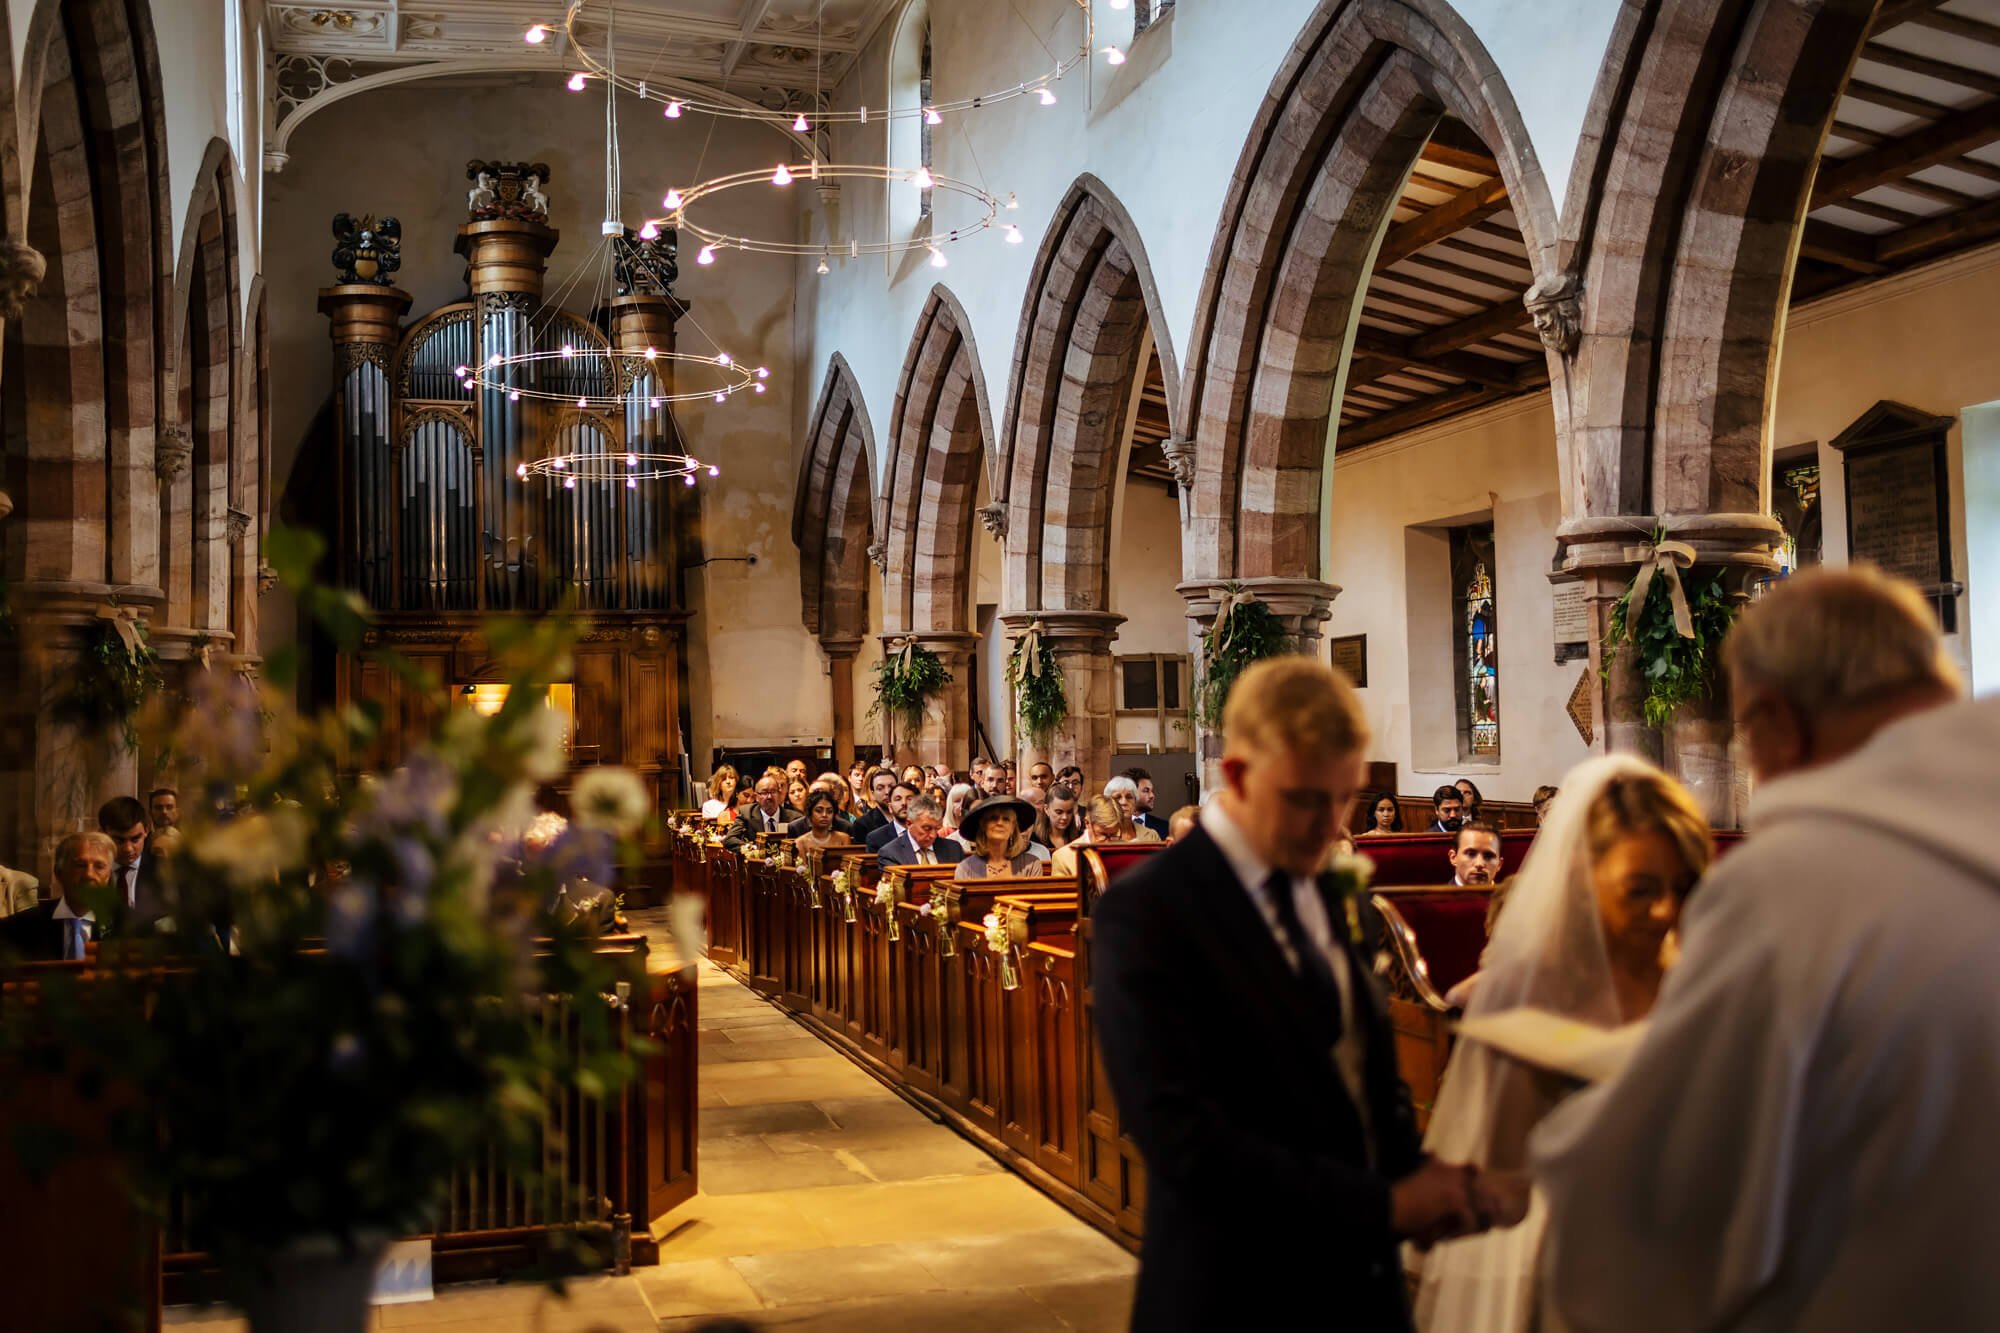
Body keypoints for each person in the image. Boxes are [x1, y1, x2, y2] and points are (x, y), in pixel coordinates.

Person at [1531, 566, 1998, 1332]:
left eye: (1743, 733)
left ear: (1777, 719)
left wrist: (1554, 1147)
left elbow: (1659, 1189)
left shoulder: (1786, 890)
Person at [1092, 656, 1489, 1329]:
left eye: (1346, 798)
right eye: (1306, 798)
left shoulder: (1341, 895)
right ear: (1239, 776)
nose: (1330, 823)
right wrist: (1383, 1205)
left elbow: (1365, 1071)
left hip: (1362, 1290)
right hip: (1229, 1290)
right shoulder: (1148, 911)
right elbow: (1184, 1140)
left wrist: (1420, 1174)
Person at [1412, 758, 1710, 1332]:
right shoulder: (1535, 992)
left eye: (1683, 886)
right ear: (1587, 879)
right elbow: (1505, 1185)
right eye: (1641, 888)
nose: (1666, 910)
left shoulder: (1699, 980)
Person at [0, 832, 117, 960]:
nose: (89, 875)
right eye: (80, 865)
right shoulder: (18, 929)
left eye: (99, 866)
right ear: (59, 872)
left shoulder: (123, 928)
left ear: (109, 877)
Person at [98, 795, 166, 924]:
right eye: (119, 840)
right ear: (103, 834)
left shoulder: (165, 872)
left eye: (135, 839)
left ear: (146, 830)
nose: (128, 849)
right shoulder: (91, 872)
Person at [955, 796, 1046, 880]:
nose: (1000, 823)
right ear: (983, 825)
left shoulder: (1031, 864)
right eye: (993, 818)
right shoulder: (966, 868)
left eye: (1006, 819)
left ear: (1013, 828)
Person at [1051, 795, 1131, 876]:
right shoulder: (1063, 858)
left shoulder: (1129, 853)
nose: (1108, 843)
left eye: (1113, 835)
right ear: (1087, 823)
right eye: (1102, 835)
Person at [877, 797, 966, 869]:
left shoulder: (954, 849)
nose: (933, 835)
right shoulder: (891, 854)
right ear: (909, 823)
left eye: (937, 828)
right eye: (927, 828)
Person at [724, 774, 802, 850]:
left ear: (779, 794)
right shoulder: (747, 813)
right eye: (764, 793)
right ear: (756, 797)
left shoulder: (794, 818)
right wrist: (752, 848)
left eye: (773, 792)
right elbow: (730, 839)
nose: (769, 797)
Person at [792, 789, 854, 858]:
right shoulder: (800, 842)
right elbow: (802, 868)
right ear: (810, 813)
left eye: (829, 811)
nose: (824, 815)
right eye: (819, 811)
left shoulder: (844, 839)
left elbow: (846, 867)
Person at [1103, 777, 1164, 845]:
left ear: (1135, 802)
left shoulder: (1151, 836)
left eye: (1129, 797)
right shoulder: (1101, 835)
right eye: (1118, 797)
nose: (1124, 802)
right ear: (1108, 803)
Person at [864, 783, 919, 852]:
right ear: (890, 807)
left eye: (909, 799)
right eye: (898, 799)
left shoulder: (930, 835)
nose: (904, 803)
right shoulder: (876, 838)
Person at [1447, 822, 1503, 886]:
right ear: (1453, 857)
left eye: (1489, 856)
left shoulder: (1511, 895)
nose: (1479, 864)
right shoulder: (1438, 896)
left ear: (1499, 864)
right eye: (1471, 854)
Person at [1123, 767, 1171, 839]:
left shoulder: (1165, 827)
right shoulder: (1114, 827)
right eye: (1146, 790)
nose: (1152, 795)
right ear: (1131, 793)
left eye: (1152, 791)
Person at [853, 768, 899, 832]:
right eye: (880, 788)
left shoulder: (909, 818)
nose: (887, 792)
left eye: (891, 786)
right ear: (873, 794)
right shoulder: (863, 824)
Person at [1042, 784, 1080, 850]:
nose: (1065, 817)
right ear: (1046, 809)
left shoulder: (1080, 839)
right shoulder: (1035, 840)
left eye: (1069, 812)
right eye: (1059, 812)